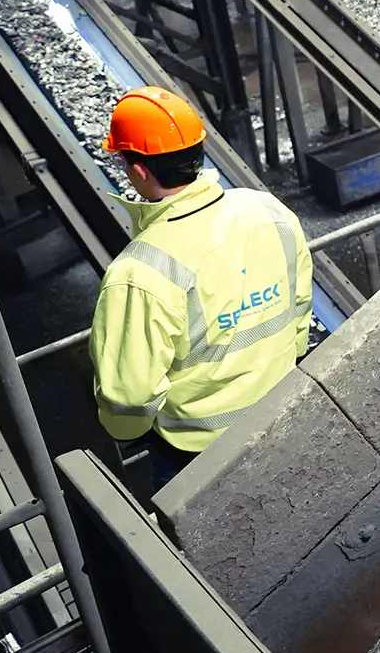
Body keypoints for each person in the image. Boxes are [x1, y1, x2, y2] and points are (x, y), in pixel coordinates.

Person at [90, 86, 310, 493]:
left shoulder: (139, 272)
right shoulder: (269, 211)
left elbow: (128, 399)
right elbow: (299, 315)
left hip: (198, 453)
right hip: (283, 412)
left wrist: (126, 430)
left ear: (138, 170)